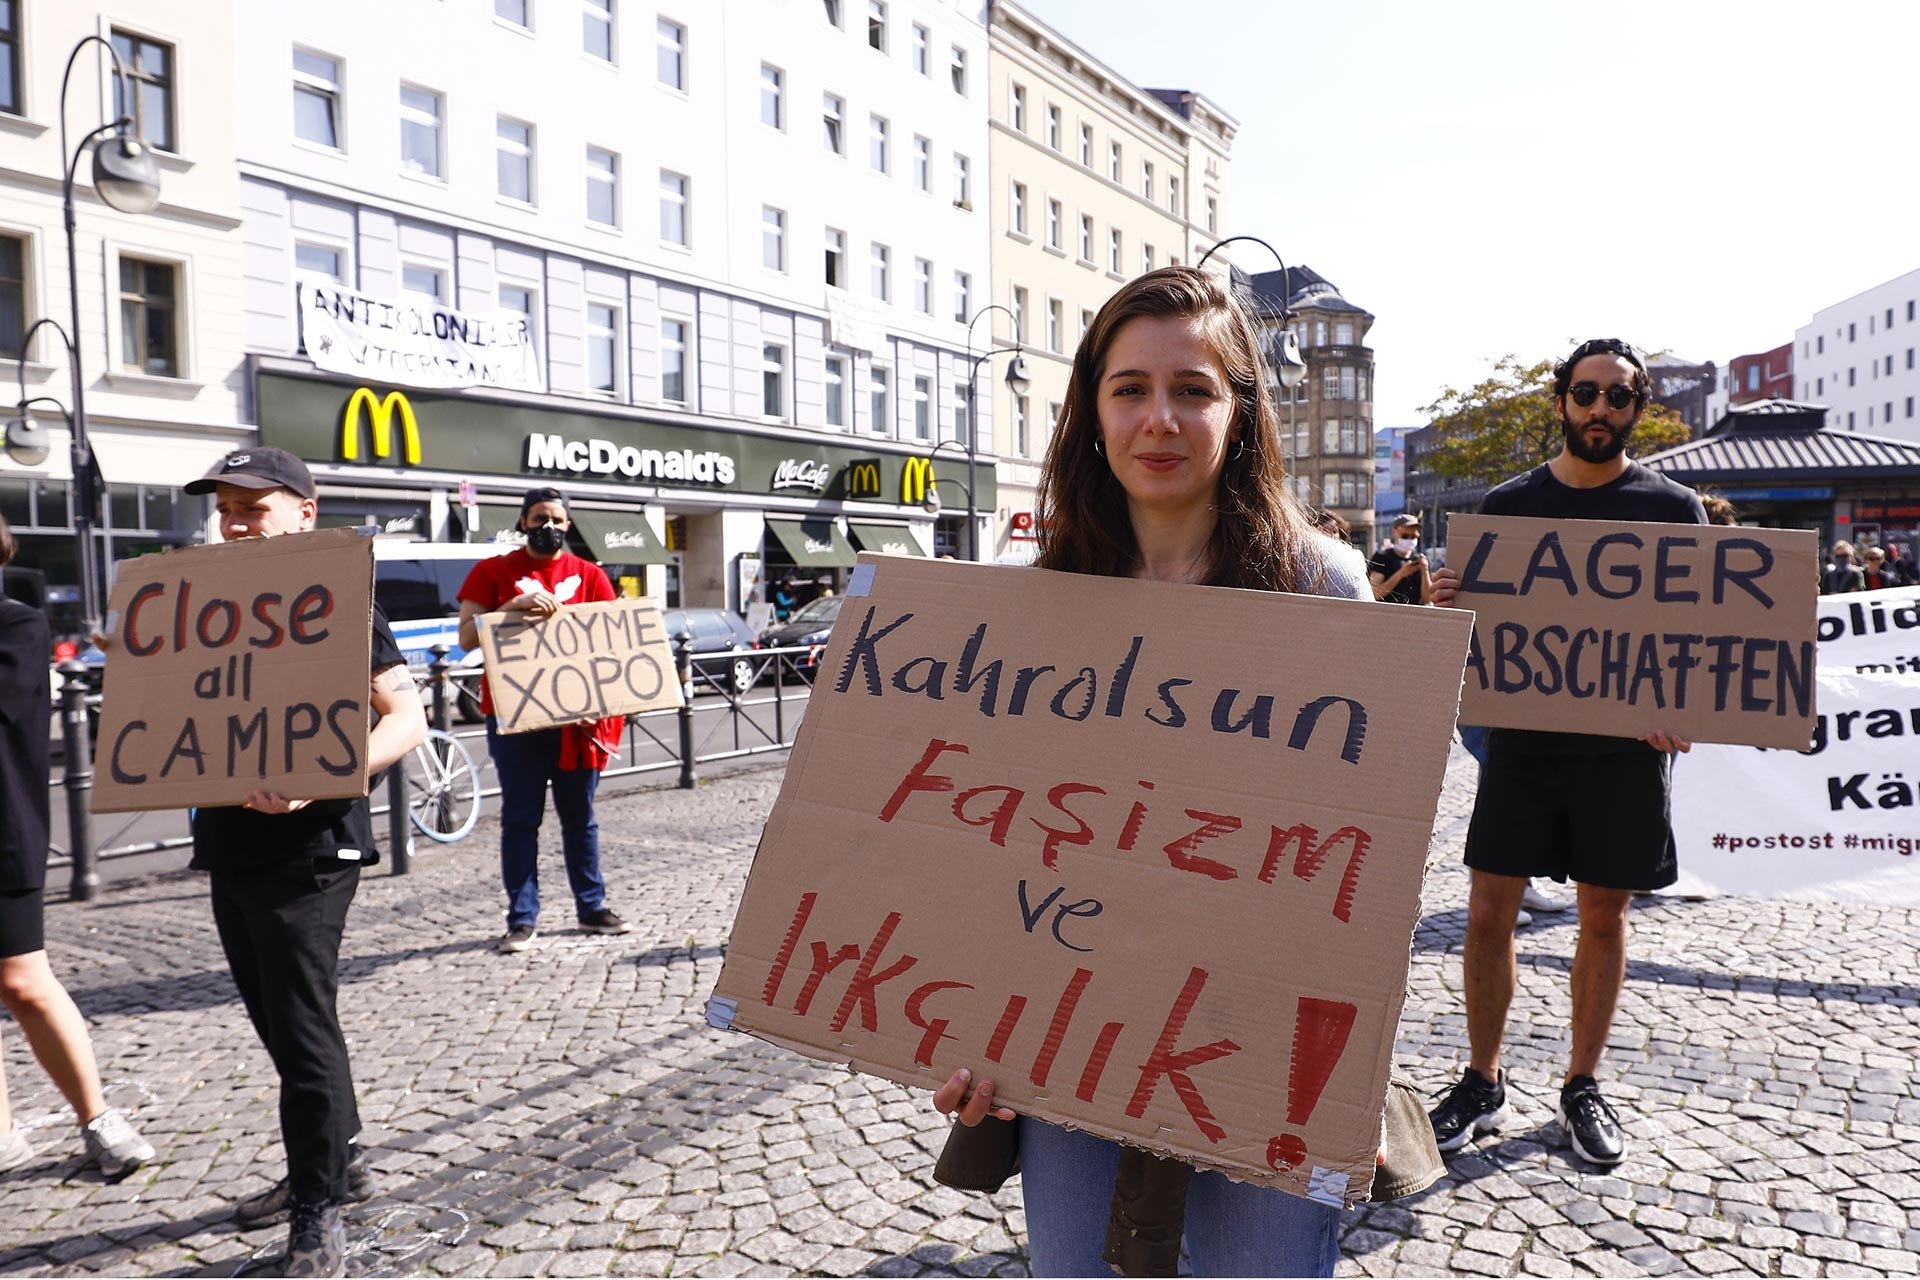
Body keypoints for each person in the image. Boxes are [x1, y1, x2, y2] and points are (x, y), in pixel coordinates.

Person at [930, 267, 1364, 1278]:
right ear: (1090, 407)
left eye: (1193, 389)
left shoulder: (1321, 586)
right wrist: (961, 1017)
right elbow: (981, 836)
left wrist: (1351, 1055)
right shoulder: (1034, 604)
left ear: (1242, 409)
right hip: (1068, 1014)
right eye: (1129, 388)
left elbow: (1362, 846)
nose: (1158, 418)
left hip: (1264, 1031)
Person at [1425, 339, 1706, 1168]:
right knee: (1486, 914)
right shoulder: (1508, 506)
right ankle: (1483, 1079)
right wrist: (1452, 598)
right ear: (1561, 402)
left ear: (1637, 410)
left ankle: (1583, 1083)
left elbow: (1701, 635)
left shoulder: (1674, 509)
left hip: (1623, 752)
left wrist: (1680, 704)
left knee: (1604, 919)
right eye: (1586, 394)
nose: (1599, 410)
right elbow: (1478, 637)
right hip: (1524, 745)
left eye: (1618, 398)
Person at [177, 448, 428, 1275]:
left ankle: (317, 1215)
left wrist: (322, 773)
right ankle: (337, 1164)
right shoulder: (205, 602)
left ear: (305, 513)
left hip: (312, 846)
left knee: (303, 1024)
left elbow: (405, 719)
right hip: (230, 843)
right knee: (281, 1023)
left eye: (254, 506)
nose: (236, 522)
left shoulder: (339, 598)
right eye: (227, 508)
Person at [0, 515, 155, 1181]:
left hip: (1, 832)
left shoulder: (16, 623)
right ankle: (4, 1133)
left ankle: (96, 1116)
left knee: (22, 981)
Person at [458, 487, 630, 953]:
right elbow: (467, 637)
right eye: (538, 518)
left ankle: (591, 907)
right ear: (523, 522)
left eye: (555, 517)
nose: (547, 525)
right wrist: (509, 609)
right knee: (520, 820)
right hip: (515, 721)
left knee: (581, 819)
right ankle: (522, 918)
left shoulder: (590, 576)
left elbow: (612, 646)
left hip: (577, 724)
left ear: (568, 524)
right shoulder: (491, 572)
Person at [1367, 514, 1433, 605]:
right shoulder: (1382, 558)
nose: (1409, 540)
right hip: (1387, 614)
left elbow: (1428, 600)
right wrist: (1401, 573)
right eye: (1405, 536)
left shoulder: (1420, 561)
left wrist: (1425, 571)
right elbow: (1374, 594)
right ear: (1394, 532)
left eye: (1413, 536)